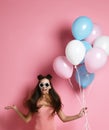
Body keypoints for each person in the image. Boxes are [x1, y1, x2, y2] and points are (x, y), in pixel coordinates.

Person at [5, 74, 87, 130]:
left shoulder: (54, 101)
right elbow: (27, 119)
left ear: (50, 86)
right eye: (42, 85)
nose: (44, 87)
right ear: (39, 87)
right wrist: (16, 109)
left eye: (46, 85)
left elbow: (64, 118)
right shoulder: (35, 101)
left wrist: (78, 115)